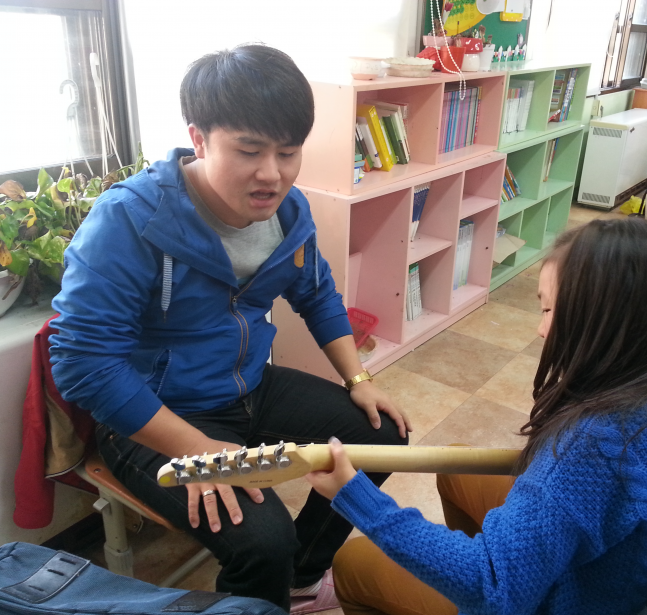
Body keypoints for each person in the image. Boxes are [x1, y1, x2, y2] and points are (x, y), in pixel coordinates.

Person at [48, 44, 411, 613]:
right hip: (155, 416)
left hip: (249, 387)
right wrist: (195, 449)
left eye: (288, 152)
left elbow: (316, 293)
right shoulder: (130, 219)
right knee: (264, 540)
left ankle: (301, 579)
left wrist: (359, 378)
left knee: (383, 437)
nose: (273, 174)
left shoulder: (288, 213)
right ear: (199, 139)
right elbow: (84, 364)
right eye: (249, 150)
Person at [306, 217, 647, 615]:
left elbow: (489, 584)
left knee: (355, 565)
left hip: (583, 599)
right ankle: (509, 562)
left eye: (552, 310)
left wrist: (358, 498)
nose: (540, 328)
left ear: (605, 322)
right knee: (454, 467)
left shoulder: (596, 448)